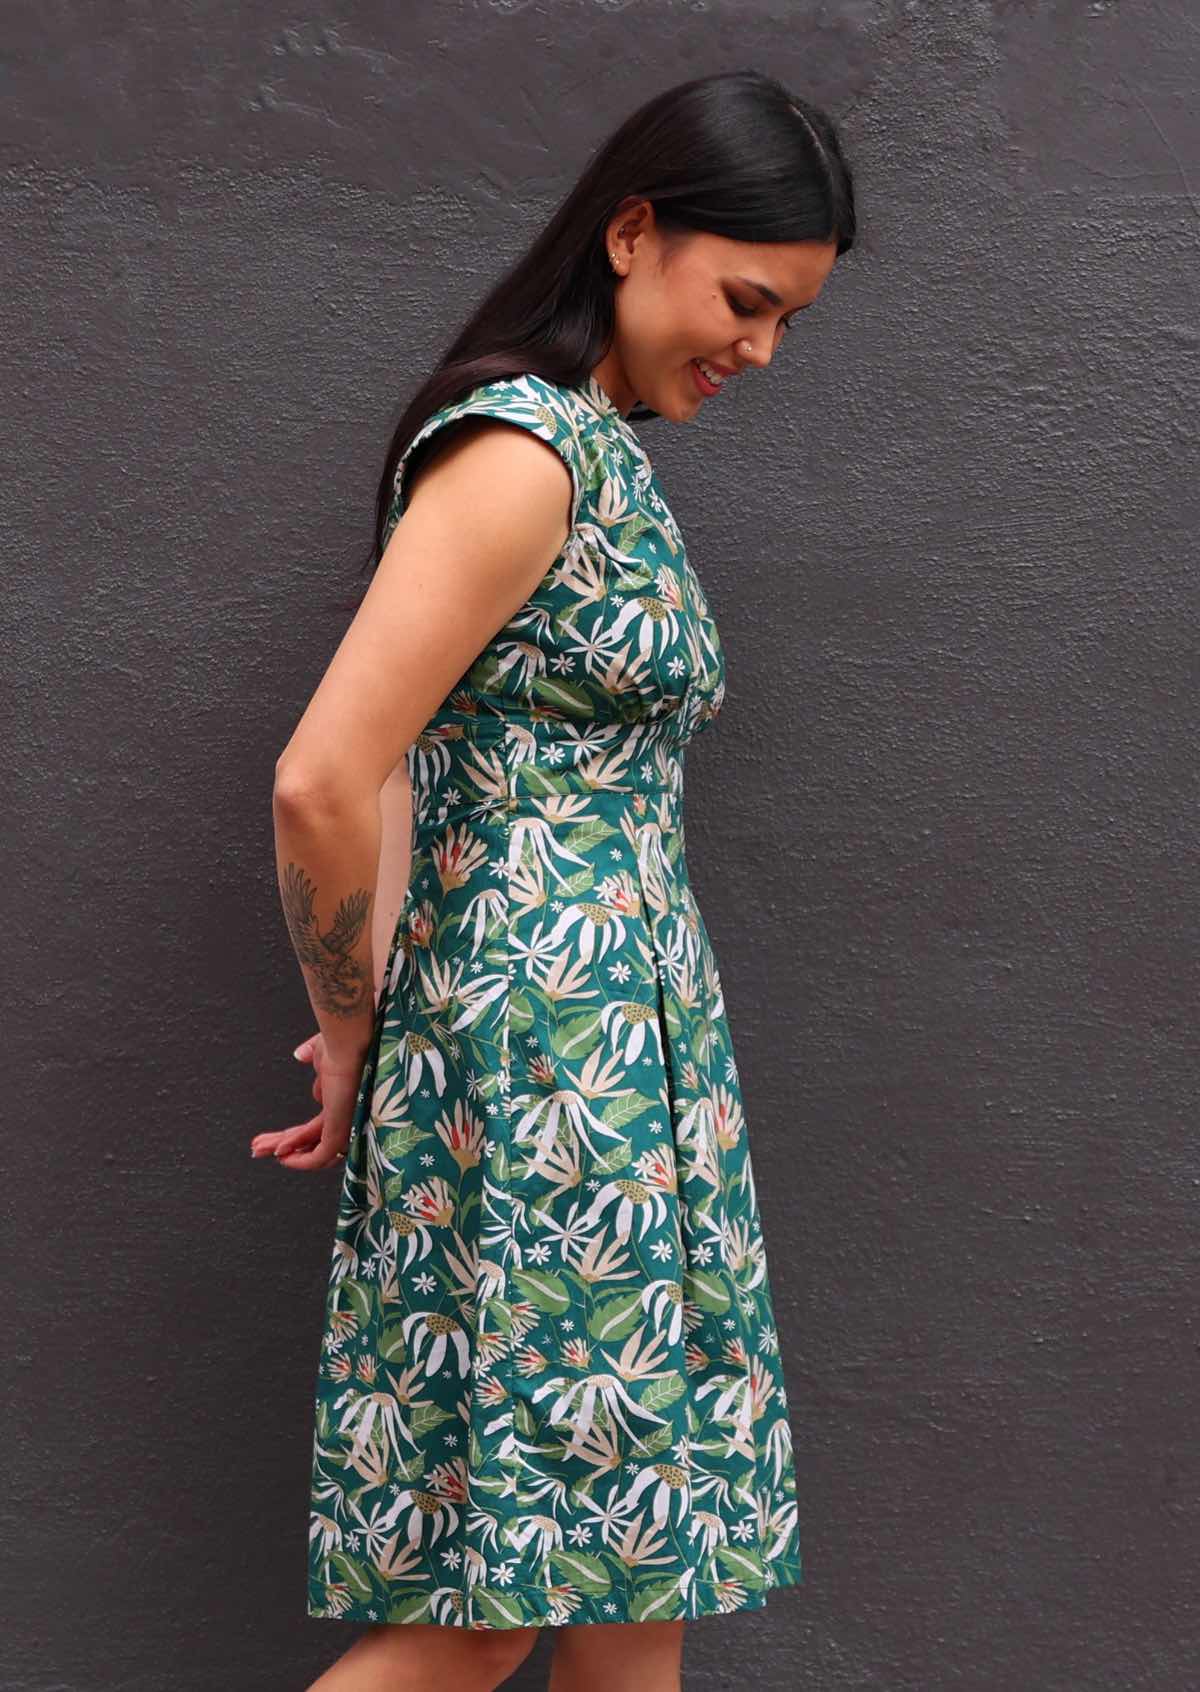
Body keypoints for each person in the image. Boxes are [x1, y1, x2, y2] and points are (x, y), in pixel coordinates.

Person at [251, 66, 856, 1692]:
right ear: (632, 230)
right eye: (744, 299)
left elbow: (412, 769)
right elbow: (328, 774)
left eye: (790, 319)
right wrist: (358, 1026)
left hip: (614, 1070)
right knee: (500, 1608)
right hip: (546, 1089)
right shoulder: (524, 456)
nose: (759, 349)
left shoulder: (591, 451)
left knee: (628, 1585)